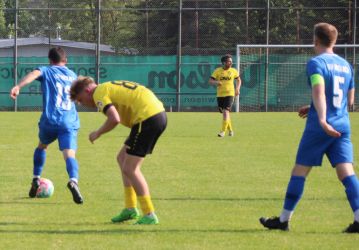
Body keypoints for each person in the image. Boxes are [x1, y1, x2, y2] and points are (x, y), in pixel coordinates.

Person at [259, 23, 359, 233]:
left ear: (315, 40)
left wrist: (321, 118)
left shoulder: (316, 63)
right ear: (334, 40)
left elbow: (319, 91)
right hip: (342, 125)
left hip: (320, 127)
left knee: (300, 171)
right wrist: (314, 106)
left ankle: (284, 220)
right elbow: (349, 101)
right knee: (346, 173)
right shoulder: (346, 65)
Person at [70, 77, 167, 225]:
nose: (82, 104)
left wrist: (98, 132)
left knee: (131, 168)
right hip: (151, 115)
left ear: (87, 90)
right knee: (122, 158)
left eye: (80, 100)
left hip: (147, 117)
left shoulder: (98, 93)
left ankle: (149, 213)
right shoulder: (105, 88)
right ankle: (130, 208)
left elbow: (114, 119)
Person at [10, 47, 83, 204]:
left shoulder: (47, 70)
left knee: (42, 146)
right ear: (66, 60)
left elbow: (33, 74)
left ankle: (36, 178)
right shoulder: (73, 75)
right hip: (68, 121)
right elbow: (79, 94)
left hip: (50, 120)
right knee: (69, 154)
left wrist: (18, 86)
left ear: (50, 60)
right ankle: (73, 181)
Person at [209, 54, 241, 137]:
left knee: (226, 112)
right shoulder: (217, 71)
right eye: (228, 61)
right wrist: (216, 82)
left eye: (231, 61)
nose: (230, 63)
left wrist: (237, 88)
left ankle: (222, 132)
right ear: (223, 62)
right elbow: (210, 81)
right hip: (220, 95)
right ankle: (230, 130)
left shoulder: (234, 71)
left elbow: (239, 80)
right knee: (225, 113)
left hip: (230, 93)